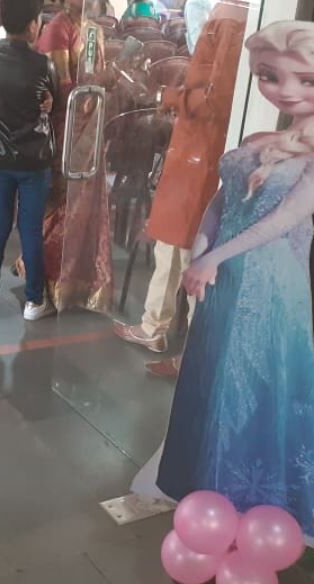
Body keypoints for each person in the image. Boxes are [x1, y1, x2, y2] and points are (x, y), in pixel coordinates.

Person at [133, 20, 314, 567]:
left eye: (311, 81)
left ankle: (251, 507)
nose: (287, 91)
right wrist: (201, 253)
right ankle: (206, 492)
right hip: (220, 279)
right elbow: (221, 203)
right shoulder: (255, 143)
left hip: (269, 282)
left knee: (256, 382)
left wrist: (214, 257)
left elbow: (285, 219)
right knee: (213, 377)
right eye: (271, 76)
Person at [113, 0, 246, 376]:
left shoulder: (231, 21)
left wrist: (170, 98)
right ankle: (153, 326)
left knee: (191, 256)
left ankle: (193, 356)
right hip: (190, 150)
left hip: (201, 155)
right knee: (169, 246)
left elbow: (218, 99)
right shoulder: (225, 14)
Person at [0, 0, 59, 322]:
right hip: (35, 159)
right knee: (30, 229)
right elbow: (55, 101)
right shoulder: (44, 65)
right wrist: (48, 101)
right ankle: (35, 301)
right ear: (33, 25)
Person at [29, 0, 115, 311]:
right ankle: (52, 276)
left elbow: (95, 76)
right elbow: (61, 88)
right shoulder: (58, 29)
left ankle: (84, 279)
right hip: (67, 129)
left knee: (88, 203)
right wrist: (97, 84)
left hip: (91, 128)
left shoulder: (93, 30)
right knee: (65, 203)